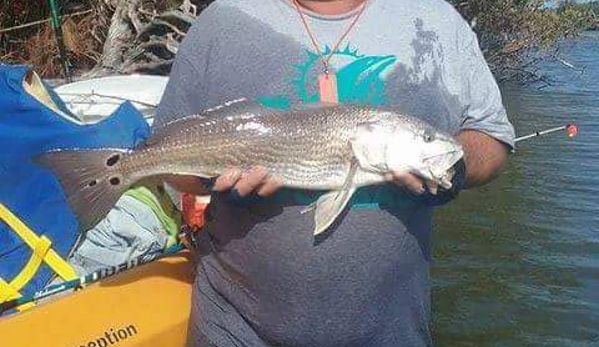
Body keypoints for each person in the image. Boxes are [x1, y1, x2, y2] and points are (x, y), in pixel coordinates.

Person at [156, 0, 515, 346]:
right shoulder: (222, 20)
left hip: (390, 330)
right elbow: (169, 162)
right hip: (233, 328)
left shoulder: (437, 21)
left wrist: (456, 168)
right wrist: (210, 181)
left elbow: (493, 140)